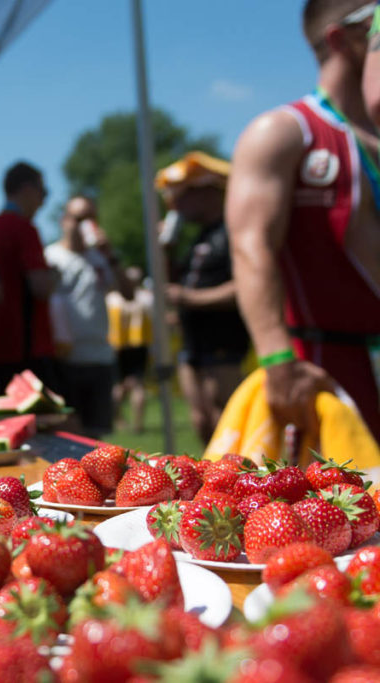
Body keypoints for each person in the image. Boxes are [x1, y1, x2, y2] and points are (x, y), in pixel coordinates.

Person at [227, 0, 380, 447]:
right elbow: (251, 245)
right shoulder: (283, 132)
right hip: (325, 369)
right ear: (340, 39)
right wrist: (277, 358)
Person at [156, 152, 249, 444]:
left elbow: (244, 287)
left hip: (224, 339)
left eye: (183, 196)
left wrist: (189, 298)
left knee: (226, 417)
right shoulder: (198, 237)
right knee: (201, 417)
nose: (176, 205)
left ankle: (234, 480)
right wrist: (166, 250)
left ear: (209, 193)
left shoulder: (232, 232)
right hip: (192, 341)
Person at [45, 196, 133, 439]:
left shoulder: (101, 258)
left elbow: (129, 294)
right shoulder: (51, 256)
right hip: (65, 359)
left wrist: (111, 255)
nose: (85, 224)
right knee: (68, 435)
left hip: (100, 357)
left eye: (91, 218)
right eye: (79, 218)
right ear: (64, 220)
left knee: (96, 438)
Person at [0, 161, 60, 392]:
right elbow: (41, 287)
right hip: (29, 347)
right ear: (26, 189)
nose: (44, 200)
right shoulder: (25, 229)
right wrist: (54, 275)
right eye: (43, 192)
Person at [106, 267, 153, 434]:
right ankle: (138, 424)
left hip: (117, 347)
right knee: (137, 385)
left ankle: (118, 419)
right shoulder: (146, 298)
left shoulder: (112, 299)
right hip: (139, 346)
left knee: (118, 385)